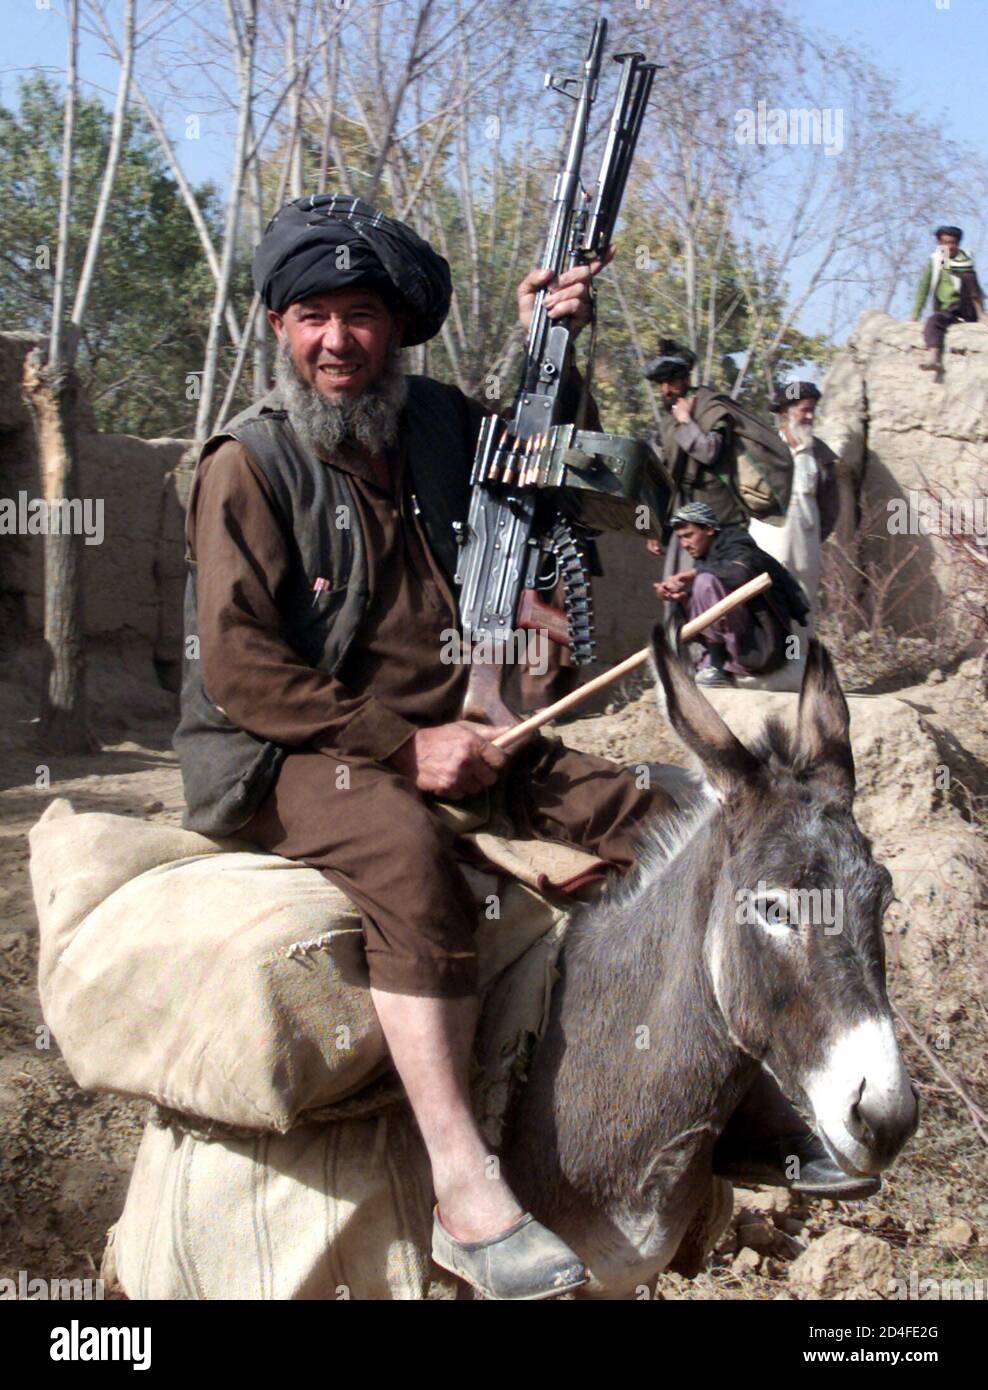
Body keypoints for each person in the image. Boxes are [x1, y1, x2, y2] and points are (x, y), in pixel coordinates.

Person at [175, 198, 870, 1299]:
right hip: (298, 750)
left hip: (472, 730)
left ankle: (737, 1103)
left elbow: (561, 470)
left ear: (397, 332)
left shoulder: (443, 422)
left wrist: (559, 336)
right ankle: (462, 1184)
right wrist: (406, 751)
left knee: (679, 818)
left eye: (362, 316)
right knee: (409, 858)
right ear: (274, 325)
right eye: (314, 316)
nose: (338, 341)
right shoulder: (248, 465)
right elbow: (243, 671)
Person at [654, 502, 810, 687]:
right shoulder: (706, 558)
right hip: (738, 642)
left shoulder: (739, 543)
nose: (685, 544)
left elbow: (741, 572)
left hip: (762, 643)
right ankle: (715, 662)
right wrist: (682, 599)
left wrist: (695, 575)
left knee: (705, 582)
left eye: (689, 535)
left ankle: (719, 667)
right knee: (699, 586)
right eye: (681, 538)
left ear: (709, 529)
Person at [748, 381, 838, 651]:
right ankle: (766, 661)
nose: (810, 417)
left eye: (813, 411)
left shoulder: (820, 454)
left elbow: (830, 506)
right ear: (786, 412)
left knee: (802, 599)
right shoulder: (765, 449)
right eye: (804, 410)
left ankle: (798, 667)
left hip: (806, 541)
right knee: (766, 596)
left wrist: (813, 536)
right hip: (768, 538)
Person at [913, 224, 988, 373]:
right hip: (948, 308)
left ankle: (981, 315)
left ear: (958, 244)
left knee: (968, 275)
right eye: (945, 242)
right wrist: (915, 315)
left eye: (952, 243)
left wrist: (979, 311)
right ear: (940, 243)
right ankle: (934, 358)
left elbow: (974, 287)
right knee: (933, 322)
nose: (949, 246)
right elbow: (924, 288)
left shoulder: (965, 258)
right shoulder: (936, 262)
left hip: (967, 306)